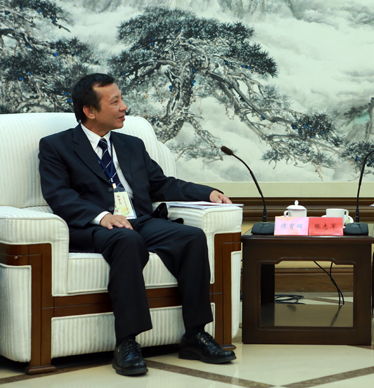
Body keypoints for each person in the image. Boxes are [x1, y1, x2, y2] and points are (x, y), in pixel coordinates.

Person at [38, 73, 236, 376]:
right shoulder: (57, 146)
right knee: (127, 240)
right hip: (93, 226)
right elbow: (58, 195)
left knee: (191, 237)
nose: (124, 107)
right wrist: (102, 216)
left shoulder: (131, 144)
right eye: (115, 101)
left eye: (122, 99)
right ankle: (127, 342)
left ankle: (195, 335)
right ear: (89, 111)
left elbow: (161, 184)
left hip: (138, 219)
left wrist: (206, 192)